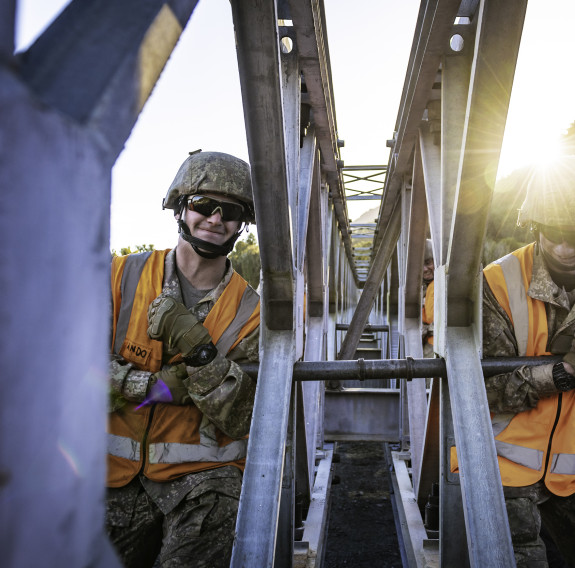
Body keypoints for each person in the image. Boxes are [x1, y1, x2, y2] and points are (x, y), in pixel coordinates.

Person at [106, 150, 260, 567]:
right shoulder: (121, 277)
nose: (215, 219)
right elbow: (68, 367)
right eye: (203, 206)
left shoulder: (252, 312)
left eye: (229, 211)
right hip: (109, 475)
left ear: (243, 223)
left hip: (203, 483)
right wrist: (150, 388)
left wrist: (199, 350)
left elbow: (244, 416)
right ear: (180, 208)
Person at [480, 156, 575, 566]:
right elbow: (483, 389)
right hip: (506, 465)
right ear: (534, 226)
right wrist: (563, 371)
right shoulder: (499, 283)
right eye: (554, 233)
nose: (565, 247)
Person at [421, 239, 435, 357]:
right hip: (428, 346)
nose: (425, 269)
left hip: (436, 348)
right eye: (420, 265)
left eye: (428, 262)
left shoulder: (442, 284)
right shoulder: (420, 289)